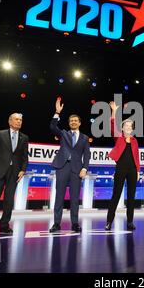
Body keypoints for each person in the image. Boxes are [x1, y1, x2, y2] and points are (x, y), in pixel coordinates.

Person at [49, 98, 90, 233]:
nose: (73, 122)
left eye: (75, 121)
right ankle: (56, 223)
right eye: (71, 121)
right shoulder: (64, 134)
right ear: (69, 123)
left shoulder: (84, 138)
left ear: (79, 123)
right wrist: (57, 112)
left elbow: (87, 154)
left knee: (74, 198)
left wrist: (84, 168)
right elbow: (53, 127)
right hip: (62, 167)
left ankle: (74, 223)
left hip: (76, 170)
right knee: (59, 196)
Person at [0, 113, 29, 235]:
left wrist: (23, 170)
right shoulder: (0, 134)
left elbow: (25, 156)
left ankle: (4, 225)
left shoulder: (24, 138)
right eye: (16, 119)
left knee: (9, 201)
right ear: (10, 121)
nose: (19, 121)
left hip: (14, 173)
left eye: (20, 120)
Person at [105, 101, 140, 231]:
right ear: (123, 127)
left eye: (130, 126)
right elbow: (112, 124)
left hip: (132, 170)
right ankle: (109, 221)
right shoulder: (118, 137)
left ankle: (130, 222)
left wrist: (138, 171)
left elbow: (136, 157)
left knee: (131, 197)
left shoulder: (135, 141)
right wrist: (114, 110)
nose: (128, 127)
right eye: (126, 125)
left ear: (132, 128)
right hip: (120, 169)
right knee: (116, 195)